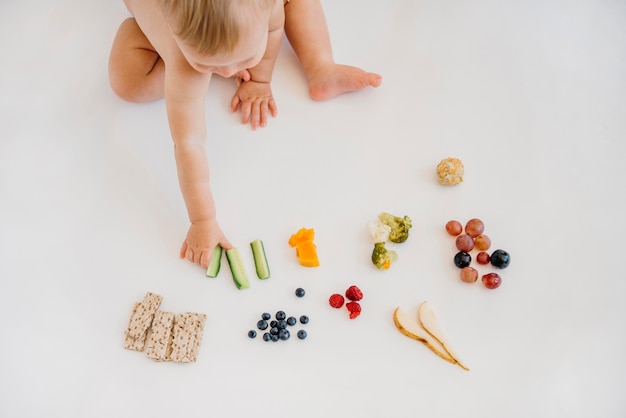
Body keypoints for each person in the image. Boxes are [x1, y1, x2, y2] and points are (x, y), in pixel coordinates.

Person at [108, 0, 382, 269]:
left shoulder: (269, 8)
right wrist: (202, 220)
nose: (230, 73)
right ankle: (209, 51)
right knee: (127, 83)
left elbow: (274, 29)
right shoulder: (183, 64)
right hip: (163, 34)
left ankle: (321, 67)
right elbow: (188, 144)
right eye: (209, 63)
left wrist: (260, 79)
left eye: (244, 59)